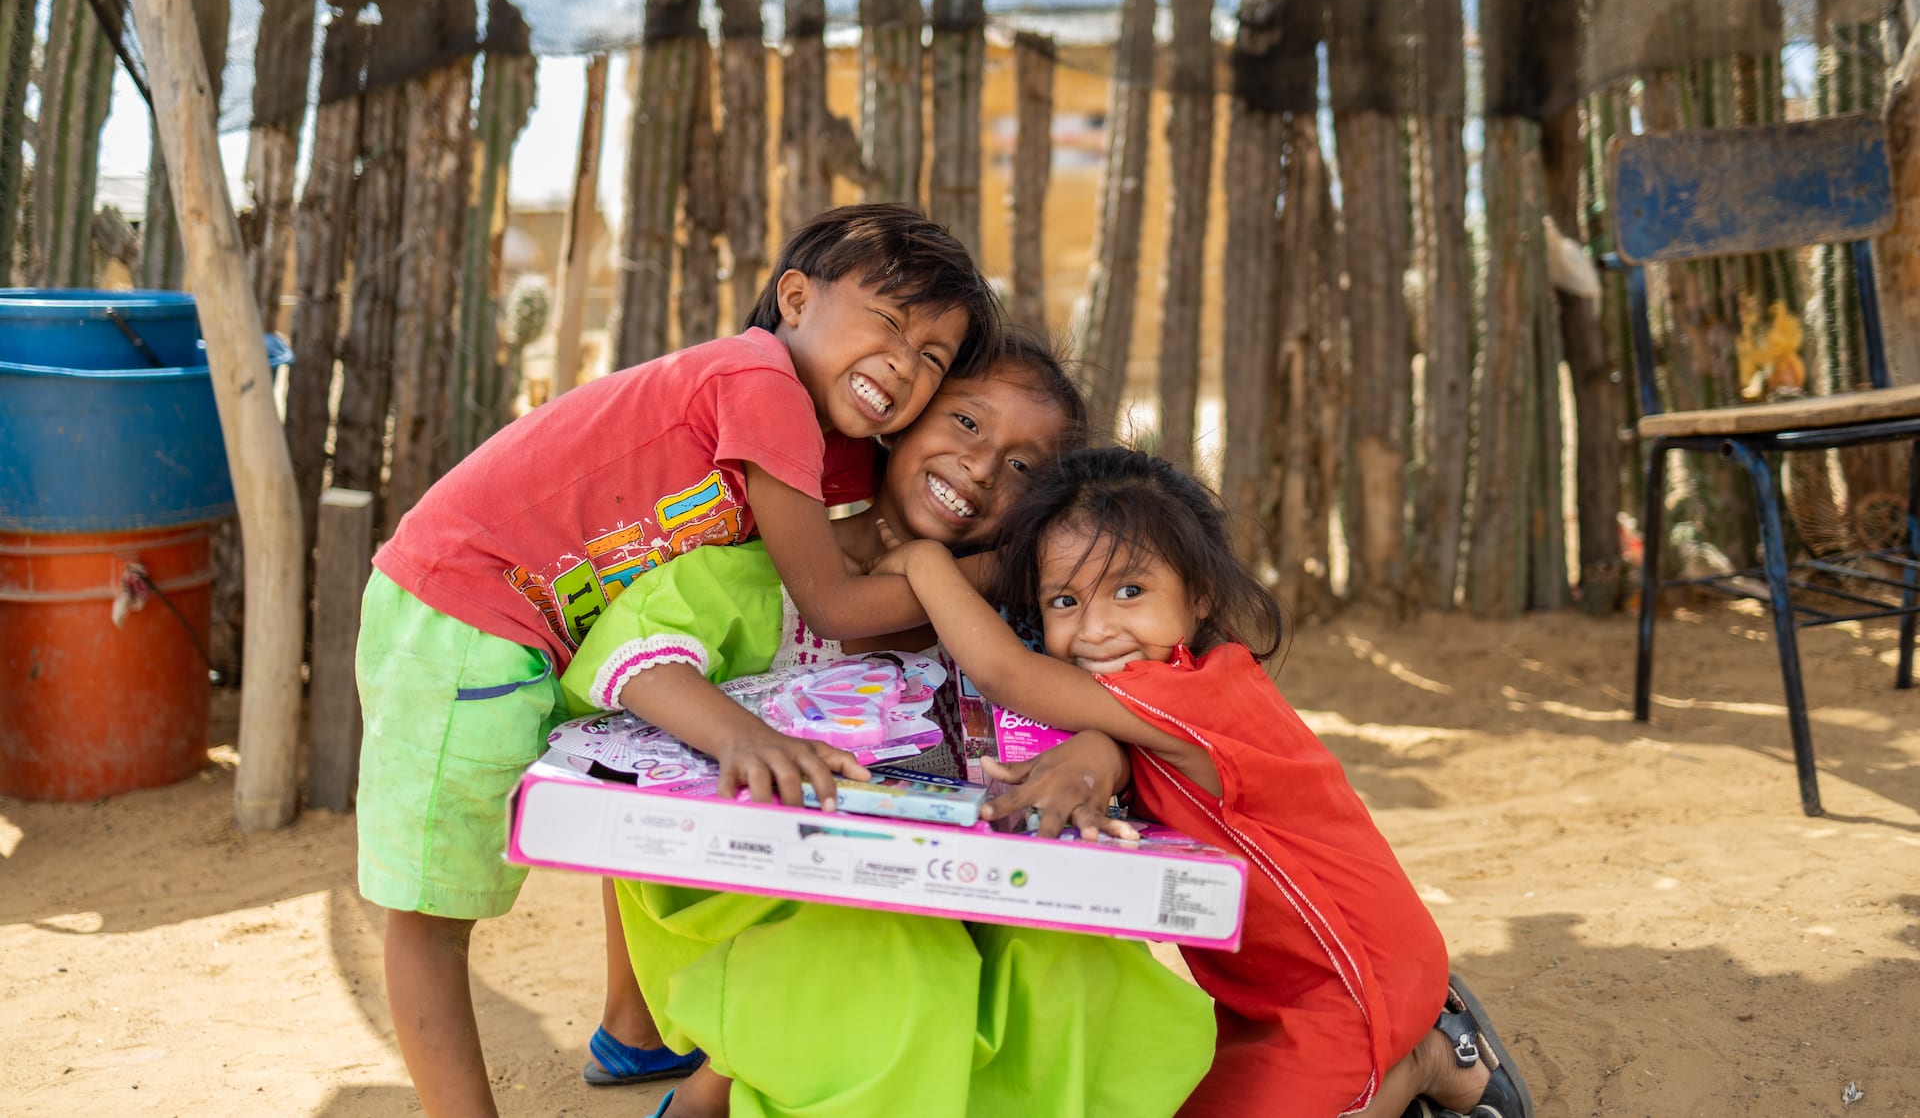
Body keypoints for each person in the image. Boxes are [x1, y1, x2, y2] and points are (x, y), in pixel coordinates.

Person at [354, 204, 1001, 1118]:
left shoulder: (837, 450)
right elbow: (834, 599)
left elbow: (866, 561)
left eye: (934, 356)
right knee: (432, 911)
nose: (906, 362)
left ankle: (637, 1027)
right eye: (890, 323)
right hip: (465, 609)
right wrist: (989, 572)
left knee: (640, 781)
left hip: (553, 629)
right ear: (793, 298)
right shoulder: (759, 376)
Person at [559, 337, 1216, 1118]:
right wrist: (744, 736)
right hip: (760, 891)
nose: (980, 466)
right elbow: (632, 656)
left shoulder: (1022, 623)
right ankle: (736, 1084)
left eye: (1022, 468)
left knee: (1075, 967)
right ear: (894, 428)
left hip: (962, 897)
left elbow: (1091, 706)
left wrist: (1097, 754)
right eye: (966, 422)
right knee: (898, 968)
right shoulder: (761, 571)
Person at [874, 446, 1536, 1118]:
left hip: (1349, 987)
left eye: (1129, 591)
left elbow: (1008, 674)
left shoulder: (1195, 693)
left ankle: (1425, 1056)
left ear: (1201, 596)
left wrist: (927, 564)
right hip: (1269, 998)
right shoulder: (1177, 683)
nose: (1097, 628)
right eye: (1065, 600)